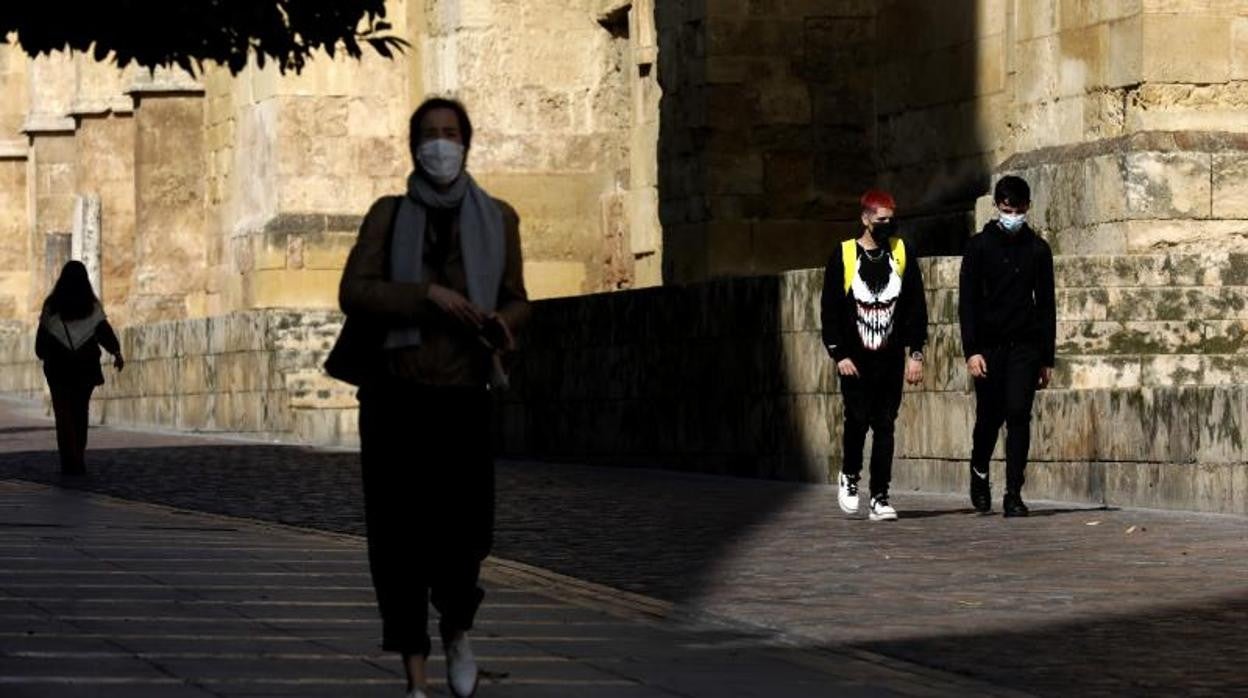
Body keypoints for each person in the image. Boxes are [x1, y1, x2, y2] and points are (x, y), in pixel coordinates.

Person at [338, 97, 530, 698]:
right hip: (396, 397)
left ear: (466, 142)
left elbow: (517, 296)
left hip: (465, 396)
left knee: (466, 532)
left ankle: (457, 630)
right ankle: (415, 678)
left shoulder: (499, 218)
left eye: (450, 133)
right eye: (429, 135)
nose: (440, 144)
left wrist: (505, 322)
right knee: (397, 537)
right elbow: (356, 292)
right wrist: (427, 295)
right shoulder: (388, 216)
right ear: (413, 145)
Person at [821, 189, 928, 521]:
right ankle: (850, 476)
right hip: (854, 358)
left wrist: (916, 353)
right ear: (865, 219)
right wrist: (838, 353)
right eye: (881, 219)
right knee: (857, 419)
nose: (887, 225)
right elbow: (830, 309)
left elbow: (915, 306)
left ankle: (880, 495)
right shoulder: (844, 255)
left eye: (891, 219)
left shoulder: (900, 253)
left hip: (889, 356)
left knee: (885, 425)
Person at [959, 175, 1056, 518]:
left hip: (1025, 347)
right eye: (1006, 209)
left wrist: (1047, 358)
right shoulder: (979, 247)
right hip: (989, 345)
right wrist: (971, 350)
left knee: (1018, 413)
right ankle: (979, 470)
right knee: (989, 416)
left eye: (1017, 209)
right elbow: (968, 303)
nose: (1012, 214)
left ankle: (1013, 492)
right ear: (997, 207)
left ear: (1027, 207)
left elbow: (1046, 306)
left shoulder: (1038, 250)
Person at [34, 260, 124, 476]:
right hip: (84, 368)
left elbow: (41, 343)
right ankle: (79, 456)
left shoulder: (52, 306)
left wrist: (47, 354)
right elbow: (104, 332)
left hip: (58, 369)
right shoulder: (91, 307)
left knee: (63, 415)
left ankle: (68, 458)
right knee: (80, 412)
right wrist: (117, 352)